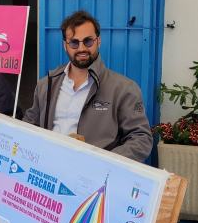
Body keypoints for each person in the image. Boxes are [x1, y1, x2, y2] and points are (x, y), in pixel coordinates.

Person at [23, 10, 152, 162]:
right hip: (50, 172)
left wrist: (101, 161)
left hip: (94, 179)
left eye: (88, 41)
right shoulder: (46, 84)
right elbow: (28, 128)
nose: (82, 48)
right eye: (74, 42)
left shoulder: (124, 88)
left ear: (98, 41)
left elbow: (141, 139)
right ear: (65, 45)